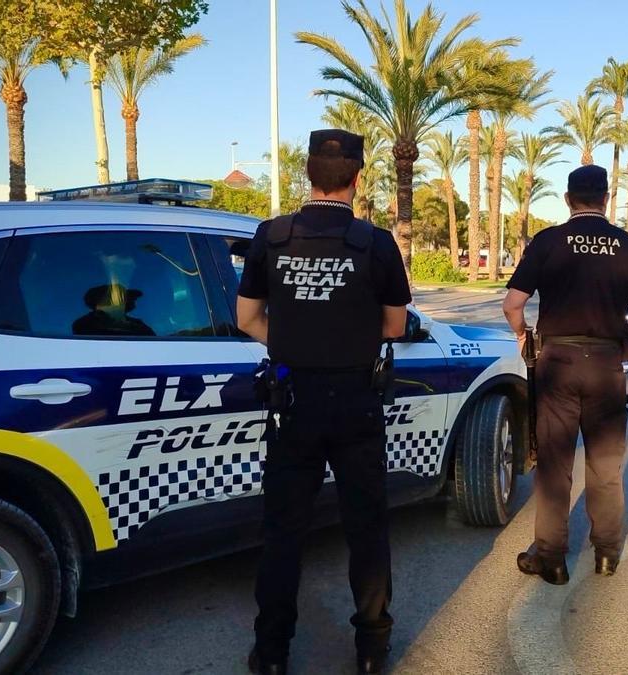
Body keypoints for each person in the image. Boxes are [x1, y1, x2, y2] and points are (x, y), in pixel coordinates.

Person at [236, 129, 411, 675]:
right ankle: (371, 650)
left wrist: (293, 342)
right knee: (366, 527)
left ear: (308, 174)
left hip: (292, 403)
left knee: (283, 532)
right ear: (357, 178)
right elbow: (395, 326)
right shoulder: (375, 242)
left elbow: (246, 319)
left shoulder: (271, 235)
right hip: (357, 401)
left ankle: (271, 654)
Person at [501, 165, 628, 585]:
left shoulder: (548, 241)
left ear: (569, 199)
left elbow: (512, 304)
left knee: (555, 464)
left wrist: (522, 335)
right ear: (606, 199)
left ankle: (551, 558)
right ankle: (606, 552)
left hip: (558, 363)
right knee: (606, 465)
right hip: (607, 365)